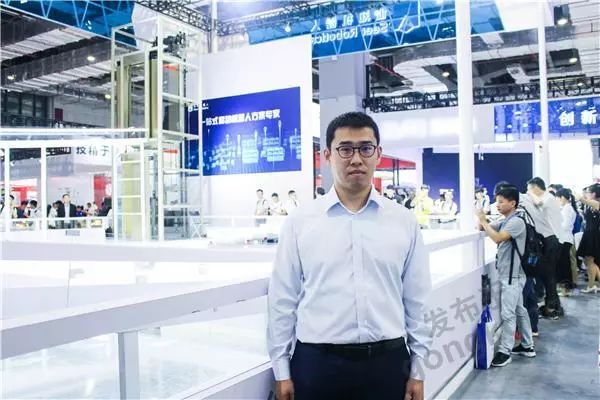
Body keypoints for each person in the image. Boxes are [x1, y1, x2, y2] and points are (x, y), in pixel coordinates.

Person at [267, 111, 432, 400]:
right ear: (327, 155)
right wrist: (281, 370)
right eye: (345, 149)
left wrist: (418, 371)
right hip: (317, 365)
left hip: (388, 364)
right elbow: (283, 298)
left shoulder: (403, 221)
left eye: (365, 148)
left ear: (378, 154)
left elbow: (417, 300)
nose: (356, 159)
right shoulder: (300, 222)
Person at [477, 186, 535, 367]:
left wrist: (483, 220)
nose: (498, 205)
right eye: (497, 201)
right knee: (519, 310)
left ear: (513, 203)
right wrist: (483, 221)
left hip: (512, 276)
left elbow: (497, 238)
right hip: (512, 275)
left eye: (501, 202)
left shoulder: (516, 222)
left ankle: (505, 351)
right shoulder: (506, 220)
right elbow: (483, 228)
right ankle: (527, 346)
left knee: (508, 314)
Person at [520, 177, 564, 319]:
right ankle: (554, 305)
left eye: (529, 189)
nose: (528, 193)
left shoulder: (548, 198)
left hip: (551, 239)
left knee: (548, 275)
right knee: (547, 275)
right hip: (549, 239)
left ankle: (552, 308)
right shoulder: (546, 198)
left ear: (535, 187)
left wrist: (528, 195)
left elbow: (538, 203)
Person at [576, 184, 600, 293]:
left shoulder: (596, 203)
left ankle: (591, 285)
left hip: (593, 234)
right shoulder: (590, 204)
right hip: (589, 233)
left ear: (594, 194)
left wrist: (579, 196)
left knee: (590, 260)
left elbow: (582, 200)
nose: (586, 194)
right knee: (589, 261)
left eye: (588, 192)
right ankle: (592, 285)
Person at [555, 189, 577, 295]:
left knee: (564, 265)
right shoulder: (565, 208)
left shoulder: (567, 209)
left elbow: (566, 225)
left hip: (565, 239)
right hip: (564, 239)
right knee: (563, 264)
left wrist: (555, 224)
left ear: (562, 198)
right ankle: (564, 288)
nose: (557, 201)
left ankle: (565, 289)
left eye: (557, 199)